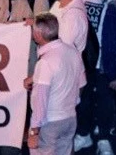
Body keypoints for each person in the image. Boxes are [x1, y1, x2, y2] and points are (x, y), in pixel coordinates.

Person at [29, 14, 85, 155]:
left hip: (50, 122)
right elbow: (81, 83)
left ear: (38, 34)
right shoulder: (73, 52)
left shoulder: (45, 62)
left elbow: (40, 100)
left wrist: (34, 130)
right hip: (70, 117)